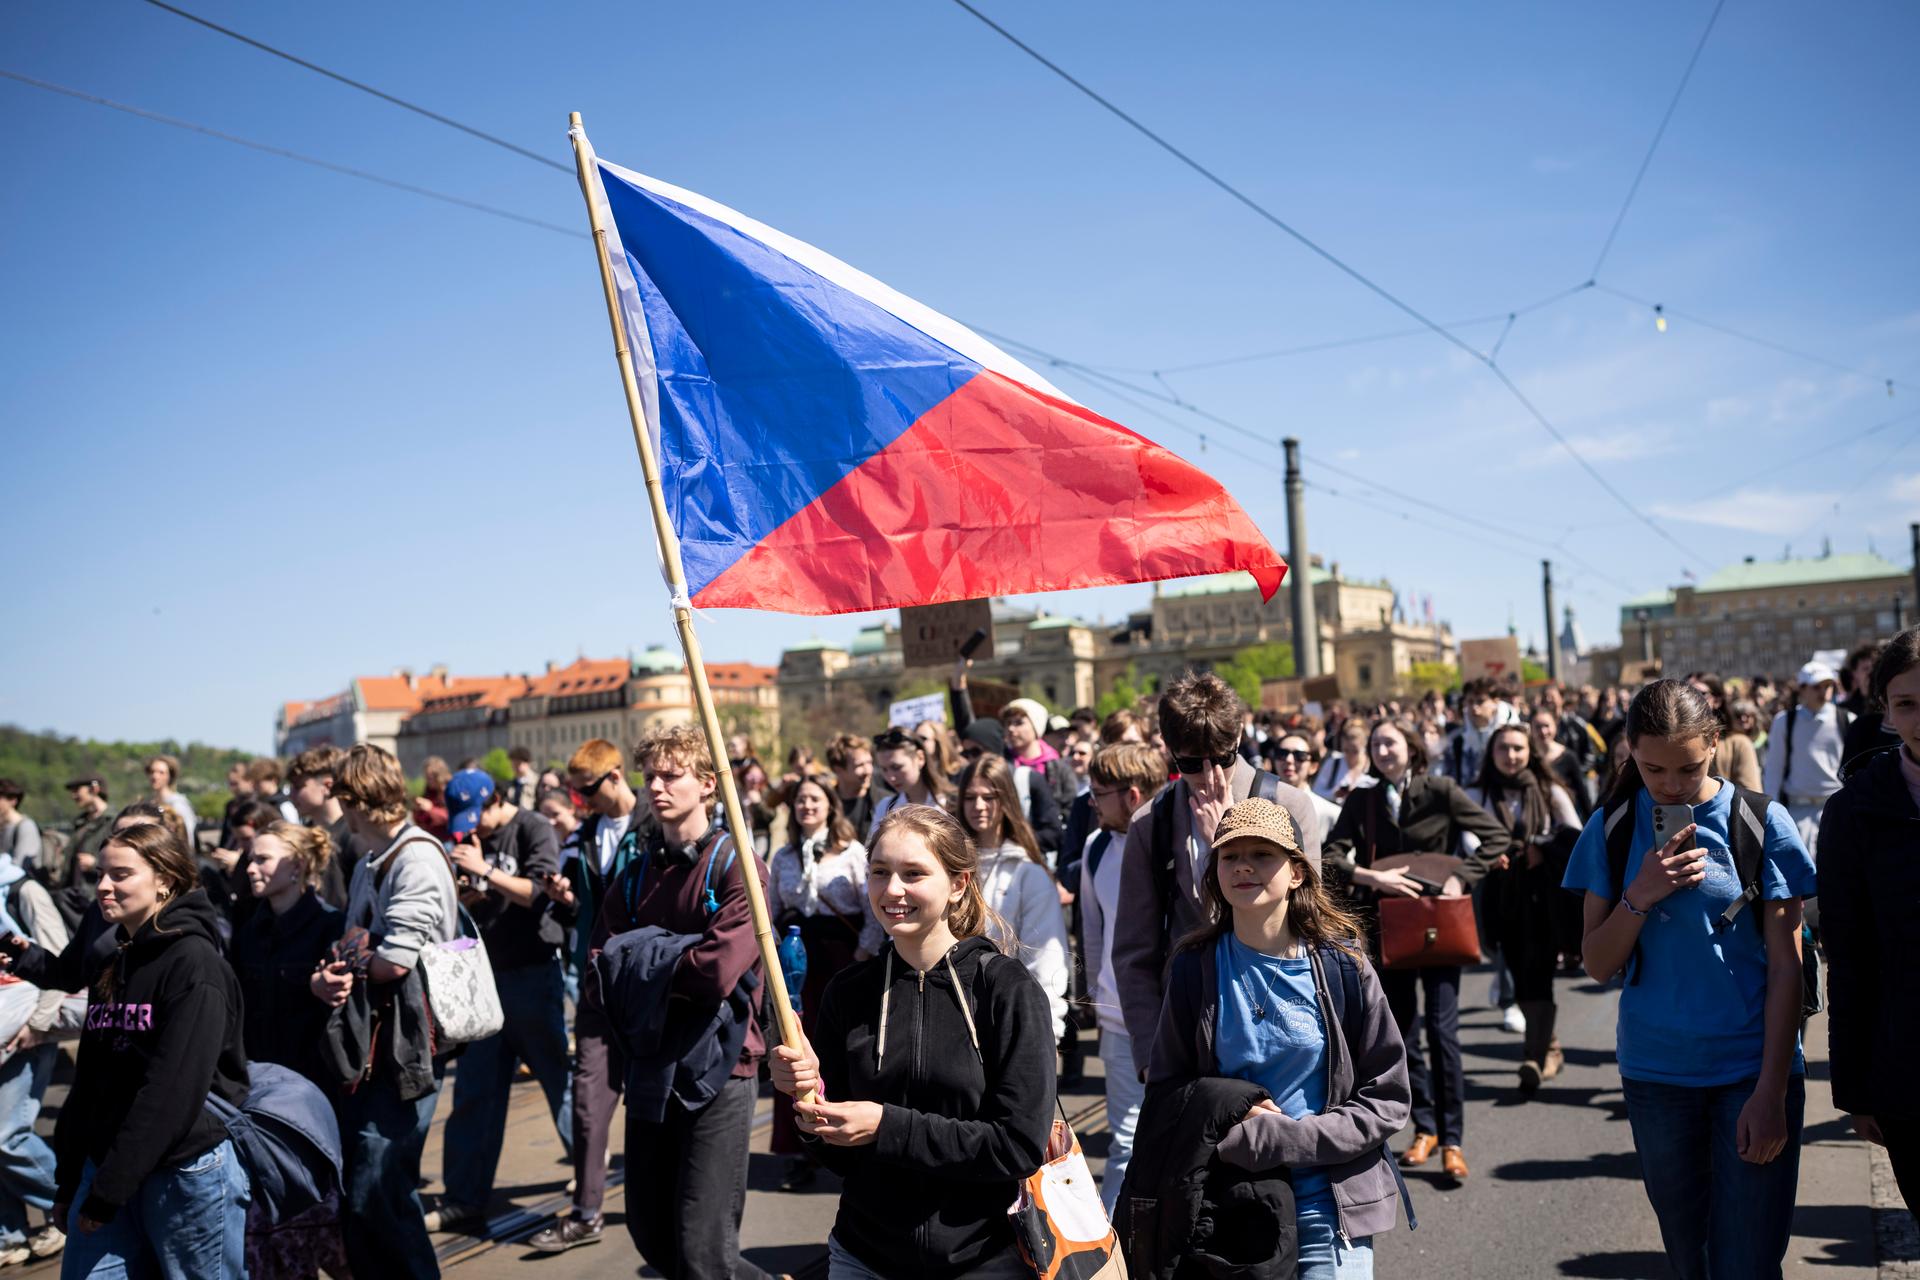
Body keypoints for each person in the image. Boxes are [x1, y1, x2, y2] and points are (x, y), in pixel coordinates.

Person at [1564, 679, 1816, 1279]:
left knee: (1748, 1264)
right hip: (1657, 1076)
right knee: (1690, 1260)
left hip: (1751, 1071)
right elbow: (1598, 964)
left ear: (1715, 746)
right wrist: (1641, 894)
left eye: (1689, 768)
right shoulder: (1614, 827)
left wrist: (1771, 1092)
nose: (1672, 785)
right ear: (1629, 752)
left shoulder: (1760, 822)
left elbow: (1789, 969)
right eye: (1653, 770)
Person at [767, 805, 1055, 1280]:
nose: (893, 890)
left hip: (984, 1258)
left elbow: (1018, 1147)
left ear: (958, 883)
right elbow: (835, 1154)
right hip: (863, 1257)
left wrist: (886, 1126)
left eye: (914, 873)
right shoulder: (850, 990)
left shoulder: (1006, 990)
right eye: (880, 873)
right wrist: (807, 1101)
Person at [1149, 797, 1411, 1278]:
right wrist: (1232, 1112)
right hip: (1231, 1206)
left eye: (1262, 854)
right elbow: (1167, 1089)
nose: (1244, 866)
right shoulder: (1194, 967)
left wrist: (1296, 1140)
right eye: (1230, 856)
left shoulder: (1343, 966)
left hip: (1329, 1202)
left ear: (1296, 873)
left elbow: (1388, 1096)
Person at [2, 821, 250, 1276]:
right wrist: (71, 1179)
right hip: (106, 1168)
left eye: (120, 874)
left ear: (165, 880)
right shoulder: (114, 959)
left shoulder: (196, 966)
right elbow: (92, 1080)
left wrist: (107, 1192)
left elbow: (170, 1092)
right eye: (100, 874)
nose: (103, 887)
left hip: (183, 1173)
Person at [588, 724, 774, 1279]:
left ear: (708, 785)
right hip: (651, 1063)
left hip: (721, 1068)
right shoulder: (636, 874)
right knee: (652, 1234)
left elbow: (717, 971)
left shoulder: (738, 865)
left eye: (672, 776)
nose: (657, 788)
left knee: (704, 1248)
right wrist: (672, 956)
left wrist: (643, 959)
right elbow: (600, 965)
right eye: (651, 778)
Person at [1112, 671, 1324, 1086]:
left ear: (1240, 737)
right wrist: (1151, 1054)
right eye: (1190, 764)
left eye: (1222, 759)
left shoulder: (1289, 804)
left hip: (1282, 1018)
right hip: (1191, 1028)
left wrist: (1223, 845)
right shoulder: (1150, 824)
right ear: (1168, 750)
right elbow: (1133, 952)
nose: (1210, 775)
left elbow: (1310, 922)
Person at [1324, 716, 1508, 1180]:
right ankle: (1422, 1128)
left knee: (1444, 1033)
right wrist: (1370, 877)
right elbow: (1331, 854)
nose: (1382, 750)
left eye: (1390, 742)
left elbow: (1496, 837)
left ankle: (1452, 1139)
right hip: (1390, 926)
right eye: (1375, 744)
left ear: (1410, 745)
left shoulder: (1440, 790)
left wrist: (1459, 877)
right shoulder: (1363, 799)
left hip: (1438, 923)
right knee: (1403, 1034)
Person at [310, 744, 456, 1279]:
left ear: (353, 800)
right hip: (378, 1041)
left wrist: (352, 960)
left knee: (380, 1183)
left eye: (339, 796)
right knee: (366, 1184)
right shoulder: (374, 857)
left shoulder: (413, 856)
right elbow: (358, 941)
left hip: (408, 1042)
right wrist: (347, 960)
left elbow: (393, 961)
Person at [531, 738, 655, 1254]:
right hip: (595, 981)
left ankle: (657, 1208)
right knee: (587, 1100)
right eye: (575, 794)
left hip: (650, 983)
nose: (581, 801)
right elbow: (576, 904)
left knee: (654, 1103)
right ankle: (586, 1213)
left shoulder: (653, 824)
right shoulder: (582, 835)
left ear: (615, 776)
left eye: (586, 791)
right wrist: (564, 896)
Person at [433, 775, 571, 1233]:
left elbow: (537, 894)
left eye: (481, 818)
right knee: (474, 1091)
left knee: (559, 1081)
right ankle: (463, 1196)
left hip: (532, 973)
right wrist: (469, 890)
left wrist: (487, 870)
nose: (480, 831)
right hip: (483, 979)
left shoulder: (533, 827)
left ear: (496, 799)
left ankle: (591, 1174)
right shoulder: (474, 836)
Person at [1821, 627, 1920, 1212]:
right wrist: (1855, 1089)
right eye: (1907, 704)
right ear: (1885, 709)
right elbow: (1849, 956)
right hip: (1906, 1068)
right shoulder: (1855, 810)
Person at [228, 820, 351, 1280]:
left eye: (262, 858)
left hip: (313, 1104)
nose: (251, 866)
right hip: (258, 1100)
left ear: (297, 865)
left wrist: (324, 989)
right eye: (250, 857)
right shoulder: (249, 929)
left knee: (325, 1231)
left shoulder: (330, 926)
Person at [767, 775, 883, 1192]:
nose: (807, 807)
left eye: (814, 799)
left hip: (842, 957)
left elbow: (872, 910)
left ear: (830, 806)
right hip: (799, 962)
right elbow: (773, 913)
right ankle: (801, 1147)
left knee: (841, 1048)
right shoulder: (782, 857)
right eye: (800, 800)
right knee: (796, 1051)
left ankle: (848, 1132)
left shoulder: (852, 852)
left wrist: (862, 955)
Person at [1467, 724, 1581, 1095]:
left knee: (1539, 972)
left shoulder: (1550, 791)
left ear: (1530, 751)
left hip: (1542, 898)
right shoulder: (1478, 792)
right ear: (1492, 752)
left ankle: (1534, 1056)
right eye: (1503, 748)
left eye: (1518, 748)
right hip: (1500, 897)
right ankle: (1550, 1048)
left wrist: (1540, 846)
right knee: (1516, 972)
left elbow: (1574, 835)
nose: (1511, 755)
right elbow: (1467, 836)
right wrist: (1487, 853)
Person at [1077, 742, 1165, 1215]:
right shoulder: (1095, 849)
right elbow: (1093, 930)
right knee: (1126, 1144)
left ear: (1132, 795)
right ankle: (1109, 1248)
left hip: (1181, 1021)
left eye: (1098, 792)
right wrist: (1097, 997)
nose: (1092, 802)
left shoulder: (1176, 841)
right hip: (1118, 1023)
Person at [955, 755, 1070, 1045]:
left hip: (1004, 1018)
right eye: (970, 797)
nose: (979, 806)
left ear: (1005, 799)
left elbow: (1046, 960)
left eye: (989, 796)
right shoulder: (946, 866)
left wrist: (1049, 1032)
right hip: (950, 1013)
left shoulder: (1028, 873)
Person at [0, 835, 70, 1265]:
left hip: (27, 1030)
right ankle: (10, 1234)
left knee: (8, 1136)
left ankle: (80, 1205)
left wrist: (38, 1024)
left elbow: (58, 960)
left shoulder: (22, 889)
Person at [1762, 661, 1851, 861]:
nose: (1824, 691)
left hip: (1837, 808)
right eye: (1816, 686)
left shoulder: (1846, 719)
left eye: (1828, 685)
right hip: (1797, 812)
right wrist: (1772, 816)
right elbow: (1774, 772)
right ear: (1802, 689)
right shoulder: (1784, 722)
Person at [285, 746, 359, 907]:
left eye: (298, 787)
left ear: (327, 786)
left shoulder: (352, 834)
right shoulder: (303, 836)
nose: (291, 795)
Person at [1687, 674, 1764, 794]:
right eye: (1685, 693)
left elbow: (1752, 797)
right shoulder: (1672, 743)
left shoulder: (1739, 744)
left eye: (1698, 693)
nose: (1689, 700)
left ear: (1717, 700)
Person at [868, 728, 955, 832]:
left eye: (897, 767)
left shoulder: (952, 802)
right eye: (884, 769)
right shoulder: (885, 807)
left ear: (920, 758)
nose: (891, 777)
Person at [1442, 679, 1521, 783]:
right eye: (1470, 702)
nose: (1474, 707)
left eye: (1480, 701)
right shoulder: (1457, 741)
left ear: (1495, 702)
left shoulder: (1516, 736)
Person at [1273, 733, 1343, 843]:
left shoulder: (1331, 813)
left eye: (1300, 756)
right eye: (1282, 753)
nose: (1289, 760)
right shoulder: (1259, 804)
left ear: (1313, 766)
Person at [824, 733, 882, 838]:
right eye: (860, 765)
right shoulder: (825, 805)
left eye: (869, 763)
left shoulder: (885, 802)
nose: (868, 770)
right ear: (838, 769)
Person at [143, 755, 196, 847]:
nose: (155, 776)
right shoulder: (147, 802)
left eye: (161, 772)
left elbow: (187, 837)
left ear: (170, 776)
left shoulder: (178, 804)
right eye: (152, 772)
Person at [1314, 719, 1371, 802]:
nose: (1350, 755)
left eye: (1355, 751)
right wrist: (1334, 794)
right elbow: (1316, 792)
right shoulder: (1333, 763)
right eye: (1346, 750)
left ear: (1364, 746)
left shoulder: (1372, 767)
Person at [0, 784, 42, 887]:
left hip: (20, 889)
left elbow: (20, 866)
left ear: (13, 800)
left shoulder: (26, 826)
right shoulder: (4, 828)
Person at [413, 756, 452, 841]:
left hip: (448, 839)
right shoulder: (429, 792)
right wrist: (418, 810)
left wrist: (431, 809)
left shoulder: (451, 790)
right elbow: (421, 821)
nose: (427, 780)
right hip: (431, 837)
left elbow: (451, 817)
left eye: (430, 777)